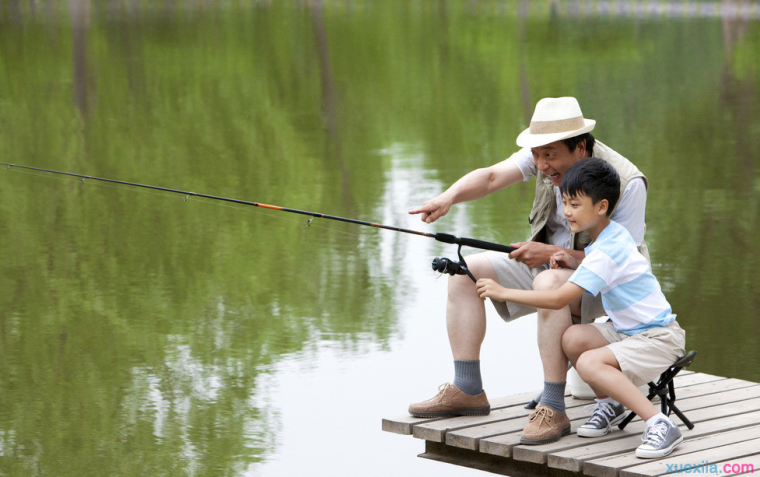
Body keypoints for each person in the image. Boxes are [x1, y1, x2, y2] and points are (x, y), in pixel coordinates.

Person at [406, 97, 650, 445]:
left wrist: (551, 252)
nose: (541, 164)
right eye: (536, 155)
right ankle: (468, 389)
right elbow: (490, 177)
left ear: (580, 147)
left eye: (549, 155)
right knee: (465, 270)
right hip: (548, 268)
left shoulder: (627, 182)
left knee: (549, 281)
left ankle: (553, 407)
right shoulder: (544, 156)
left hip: (609, 286)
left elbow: (622, 262)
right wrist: (447, 198)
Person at [476, 158, 686, 458]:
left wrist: (503, 291)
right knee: (572, 339)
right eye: (564, 202)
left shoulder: (607, 247)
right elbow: (596, 260)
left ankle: (660, 424)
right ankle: (610, 402)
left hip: (658, 338)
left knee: (588, 363)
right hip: (629, 331)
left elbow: (559, 299)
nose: (566, 212)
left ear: (601, 206)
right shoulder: (609, 235)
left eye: (574, 204)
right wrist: (573, 259)